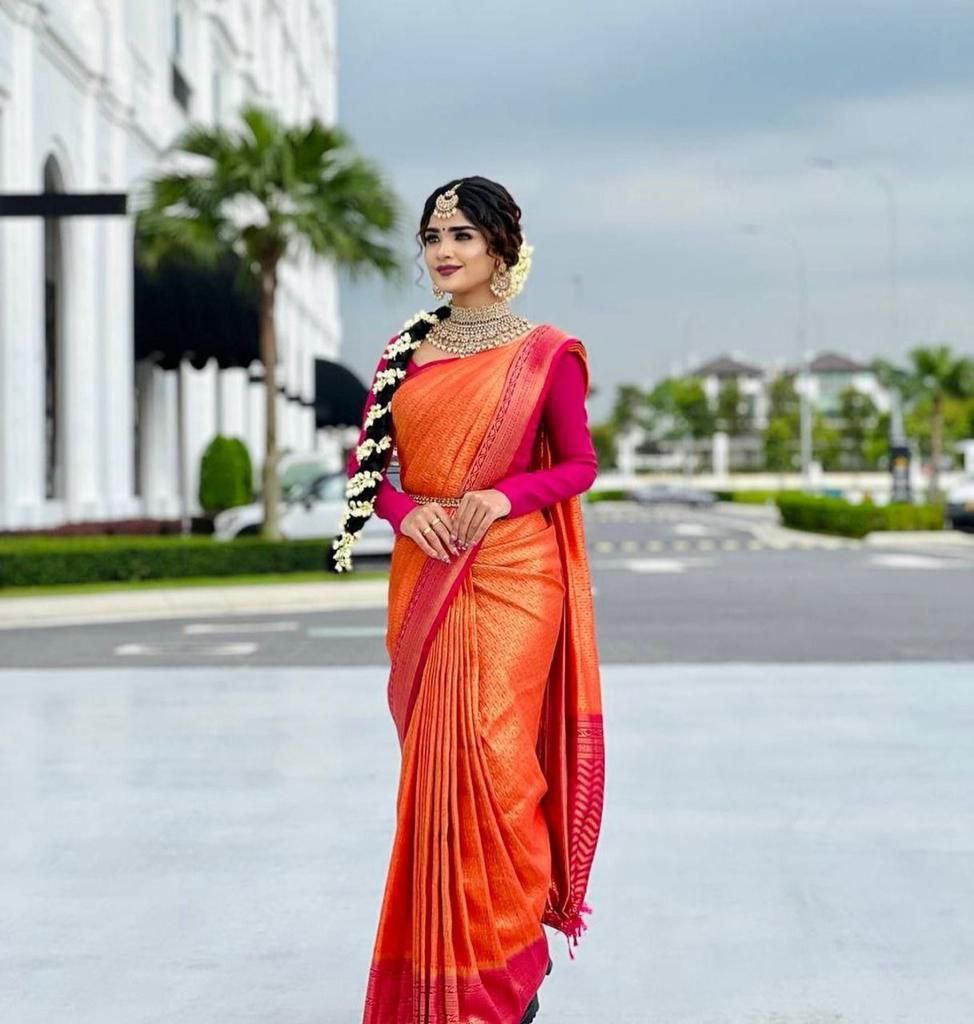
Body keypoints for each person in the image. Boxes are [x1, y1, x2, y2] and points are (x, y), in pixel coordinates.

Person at [334, 176, 605, 1024]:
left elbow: (580, 466)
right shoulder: (404, 351)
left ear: (500, 248)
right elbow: (366, 470)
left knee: (496, 762)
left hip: (515, 572)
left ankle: (509, 962)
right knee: (436, 777)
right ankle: (446, 975)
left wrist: (503, 496)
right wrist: (404, 513)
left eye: (461, 235)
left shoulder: (545, 353)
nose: (443, 251)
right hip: (428, 569)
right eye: (432, 236)